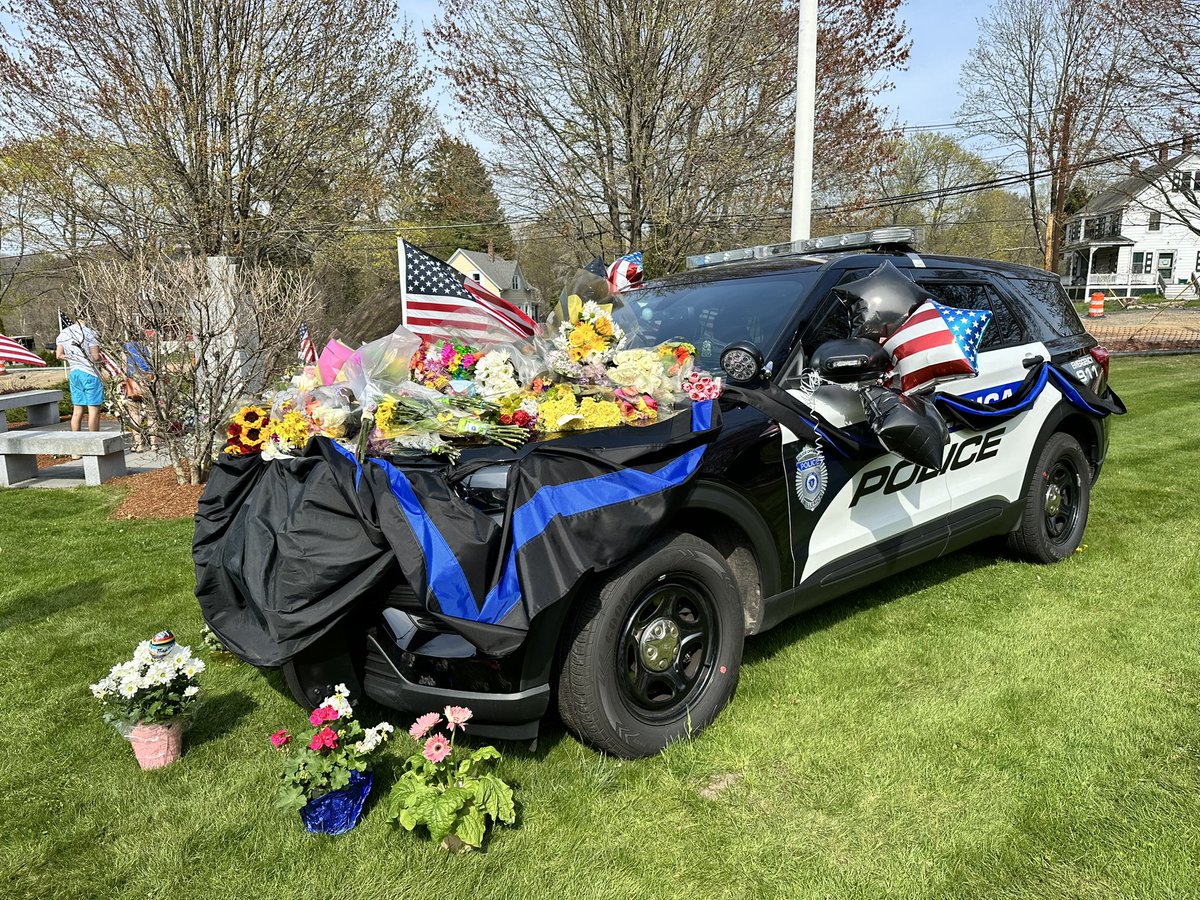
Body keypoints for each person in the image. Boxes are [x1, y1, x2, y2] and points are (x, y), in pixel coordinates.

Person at [55, 316, 104, 433]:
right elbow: (95, 356)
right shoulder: (89, 332)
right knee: (93, 410)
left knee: (77, 411)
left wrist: (71, 357)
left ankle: (76, 446)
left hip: (74, 373)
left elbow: (59, 355)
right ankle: (94, 442)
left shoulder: (64, 333)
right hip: (89, 372)